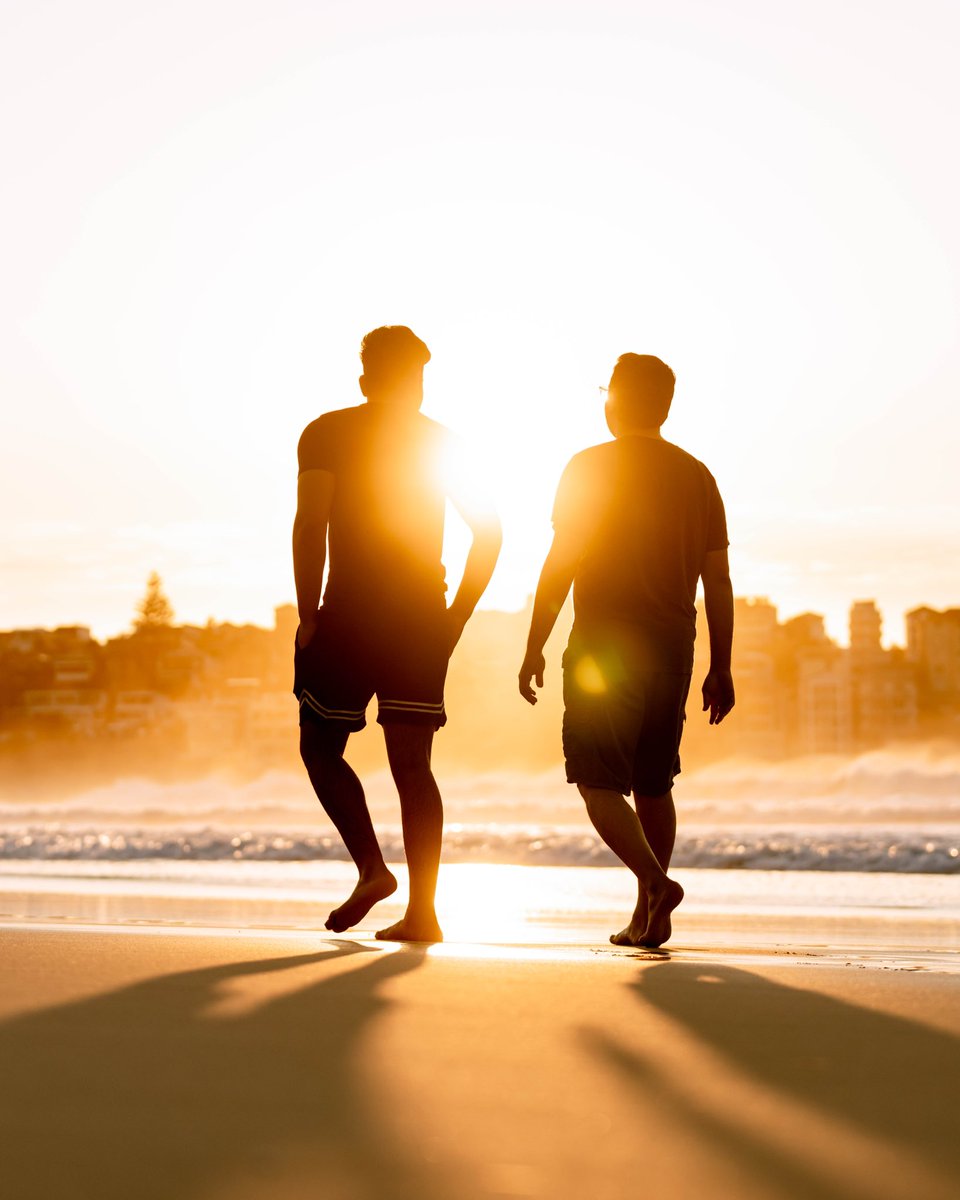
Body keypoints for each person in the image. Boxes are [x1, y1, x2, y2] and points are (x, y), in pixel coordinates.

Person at [518, 353, 734, 948]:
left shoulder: (589, 466)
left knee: (597, 781)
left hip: (603, 650)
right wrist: (721, 665)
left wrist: (534, 643)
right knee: (654, 785)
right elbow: (718, 580)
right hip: (673, 647)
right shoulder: (697, 476)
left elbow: (561, 561)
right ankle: (648, 916)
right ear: (665, 406)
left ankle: (656, 885)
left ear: (615, 400)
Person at [293, 326, 501, 942]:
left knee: (320, 748)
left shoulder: (326, 431)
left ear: (365, 379)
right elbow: (489, 532)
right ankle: (424, 913)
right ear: (417, 382)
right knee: (413, 766)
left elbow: (310, 523)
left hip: (349, 614)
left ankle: (372, 869)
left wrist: (308, 615)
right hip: (420, 618)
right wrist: (456, 615)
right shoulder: (441, 441)